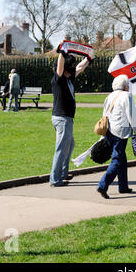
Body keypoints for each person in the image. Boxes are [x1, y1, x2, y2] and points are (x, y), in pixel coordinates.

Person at [50, 47, 91, 187]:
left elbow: (79, 68)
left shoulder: (68, 79)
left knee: (69, 145)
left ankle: (63, 173)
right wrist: (62, 53)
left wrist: (89, 58)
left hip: (66, 119)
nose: (74, 68)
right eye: (71, 65)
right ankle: (55, 179)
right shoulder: (59, 79)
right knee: (61, 148)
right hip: (62, 119)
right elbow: (60, 67)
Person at [97, 75, 136, 199]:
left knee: (122, 159)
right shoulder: (127, 96)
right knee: (117, 159)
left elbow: (104, 114)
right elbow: (131, 115)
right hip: (121, 131)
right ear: (126, 86)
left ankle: (123, 186)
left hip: (109, 130)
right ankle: (103, 185)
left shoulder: (110, 96)